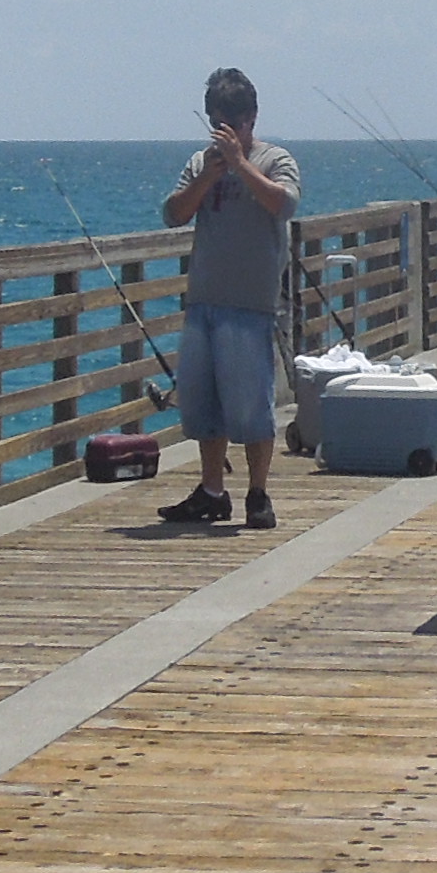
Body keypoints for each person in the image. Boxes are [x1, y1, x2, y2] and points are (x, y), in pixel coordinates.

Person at [157, 66, 301, 530]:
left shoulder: (275, 159)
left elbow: (284, 204)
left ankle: (258, 492)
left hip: (250, 303)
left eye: (231, 124)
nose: (224, 133)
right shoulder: (200, 163)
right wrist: (207, 178)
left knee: (251, 406)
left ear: (250, 119)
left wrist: (241, 165)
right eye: (216, 123)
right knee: (203, 404)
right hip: (204, 299)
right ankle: (212, 491)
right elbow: (173, 214)